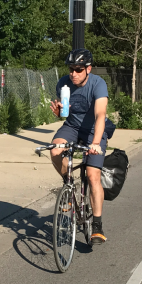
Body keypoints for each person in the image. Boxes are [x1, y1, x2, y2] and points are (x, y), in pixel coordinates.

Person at [48, 48, 114, 245]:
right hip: (72, 127)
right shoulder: (63, 83)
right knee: (54, 150)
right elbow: (66, 114)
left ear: (88, 69)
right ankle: (69, 184)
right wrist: (59, 113)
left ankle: (97, 226)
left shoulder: (98, 84)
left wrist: (96, 143)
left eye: (78, 69)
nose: (73, 73)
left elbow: (100, 115)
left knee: (93, 175)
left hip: (94, 130)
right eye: (71, 69)